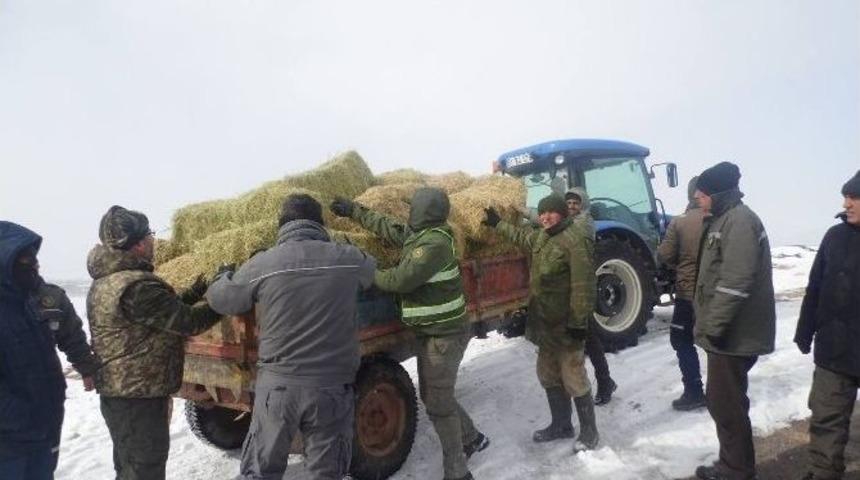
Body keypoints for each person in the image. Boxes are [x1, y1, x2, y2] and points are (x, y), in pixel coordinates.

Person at [206, 194, 376, 480]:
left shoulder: (263, 263)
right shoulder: (347, 257)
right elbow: (371, 270)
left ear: (282, 225)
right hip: (330, 388)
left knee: (260, 471)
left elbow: (222, 299)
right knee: (326, 473)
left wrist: (221, 277)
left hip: (277, 389)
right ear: (319, 223)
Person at [331, 187, 487, 480]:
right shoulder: (421, 236)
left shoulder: (434, 245)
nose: (409, 212)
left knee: (438, 405)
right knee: (434, 396)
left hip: (444, 336)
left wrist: (364, 268)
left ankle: (458, 472)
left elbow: (399, 280)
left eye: (413, 207)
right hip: (432, 333)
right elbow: (388, 227)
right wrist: (353, 210)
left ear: (424, 211)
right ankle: (472, 438)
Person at [86, 205, 222, 480]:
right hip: (139, 397)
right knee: (144, 470)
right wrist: (223, 298)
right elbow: (188, 322)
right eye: (150, 235)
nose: (153, 241)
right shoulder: (138, 287)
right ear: (137, 244)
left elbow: (161, 313)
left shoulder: (109, 282)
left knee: (129, 467)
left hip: (122, 392)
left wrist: (199, 288)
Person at [483, 194, 599, 452]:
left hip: (567, 324)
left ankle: (590, 431)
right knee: (547, 374)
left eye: (551, 212)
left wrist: (578, 322)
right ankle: (561, 425)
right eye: (542, 212)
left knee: (573, 376)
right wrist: (497, 223)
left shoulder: (574, 241)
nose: (545, 217)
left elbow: (583, 286)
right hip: (545, 324)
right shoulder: (542, 237)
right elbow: (521, 237)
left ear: (563, 214)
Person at [691, 162, 776, 480]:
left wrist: (713, 326)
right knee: (724, 401)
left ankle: (736, 470)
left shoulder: (739, 221)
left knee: (726, 403)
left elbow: (735, 282)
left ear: (717, 194)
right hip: (728, 332)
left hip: (733, 334)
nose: (697, 198)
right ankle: (734, 465)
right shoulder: (724, 219)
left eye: (702, 194)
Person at [0, 221, 99, 479]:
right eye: (23, 260)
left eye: (33, 259)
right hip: (9, 432)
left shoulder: (44, 298)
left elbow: (70, 334)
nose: (33, 265)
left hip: (47, 415)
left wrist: (86, 367)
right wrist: (17, 417)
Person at [794, 170, 860, 480]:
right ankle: (824, 473)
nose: (847, 204)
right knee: (825, 418)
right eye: (846, 197)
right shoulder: (835, 236)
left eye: (855, 197)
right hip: (835, 348)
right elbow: (816, 286)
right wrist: (805, 329)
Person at [657, 176, 707, 411]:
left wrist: (680, 263)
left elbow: (665, 254)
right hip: (714, 294)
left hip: (688, 294)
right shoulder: (722, 219)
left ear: (691, 194)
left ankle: (694, 391)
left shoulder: (679, 222)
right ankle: (723, 390)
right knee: (715, 341)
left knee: (681, 339)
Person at [566, 187, 617, 406]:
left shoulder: (584, 224)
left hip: (582, 290)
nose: (571, 207)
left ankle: (604, 382)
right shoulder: (570, 222)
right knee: (588, 339)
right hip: (571, 289)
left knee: (589, 340)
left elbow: (561, 231)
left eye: (575, 203)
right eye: (568, 203)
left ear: (583, 205)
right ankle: (605, 381)